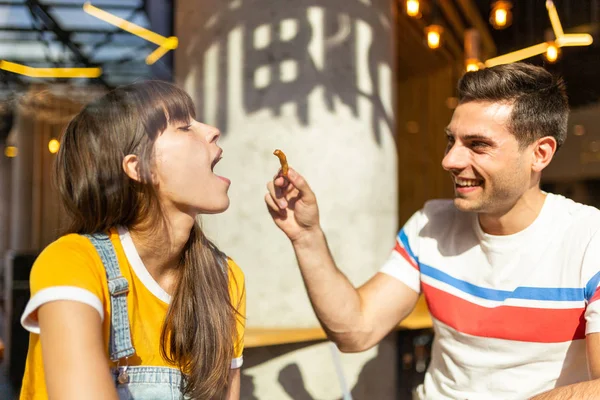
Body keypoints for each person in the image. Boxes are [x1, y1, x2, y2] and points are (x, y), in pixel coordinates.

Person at [265, 62, 600, 399]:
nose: (450, 160)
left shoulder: (590, 239)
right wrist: (306, 237)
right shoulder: (431, 224)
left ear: (539, 154)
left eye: (477, 145)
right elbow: (356, 331)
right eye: (451, 141)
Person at [19, 81, 246, 400]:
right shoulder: (72, 263)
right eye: (184, 127)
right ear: (138, 168)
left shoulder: (225, 278)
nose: (212, 130)